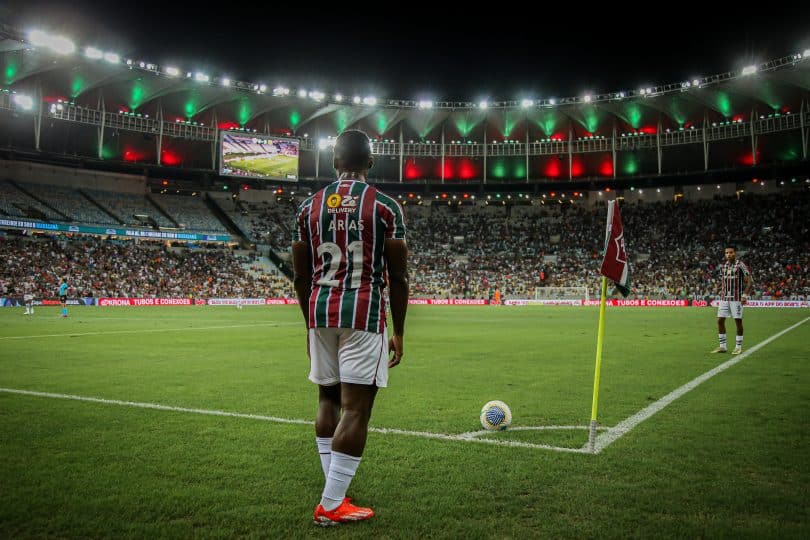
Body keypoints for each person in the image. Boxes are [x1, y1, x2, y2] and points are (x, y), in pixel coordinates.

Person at [291, 129, 408, 526]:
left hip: (320, 312)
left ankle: (333, 491)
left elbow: (300, 277)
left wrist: (308, 325)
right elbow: (399, 275)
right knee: (356, 410)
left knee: (327, 400)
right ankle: (331, 503)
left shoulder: (307, 208)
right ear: (370, 163)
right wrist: (401, 331)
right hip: (363, 312)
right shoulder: (386, 207)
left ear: (334, 162)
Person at [711, 246, 753, 355]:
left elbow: (750, 281)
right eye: (726, 253)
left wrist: (744, 295)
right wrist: (718, 288)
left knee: (737, 321)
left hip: (737, 298)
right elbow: (723, 280)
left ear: (735, 253)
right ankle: (722, 347)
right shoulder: (724, 266)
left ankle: (738, 347)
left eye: (731, 252)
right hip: (724, 298)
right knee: (720, 320)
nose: (728, 255)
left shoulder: (740, 265)